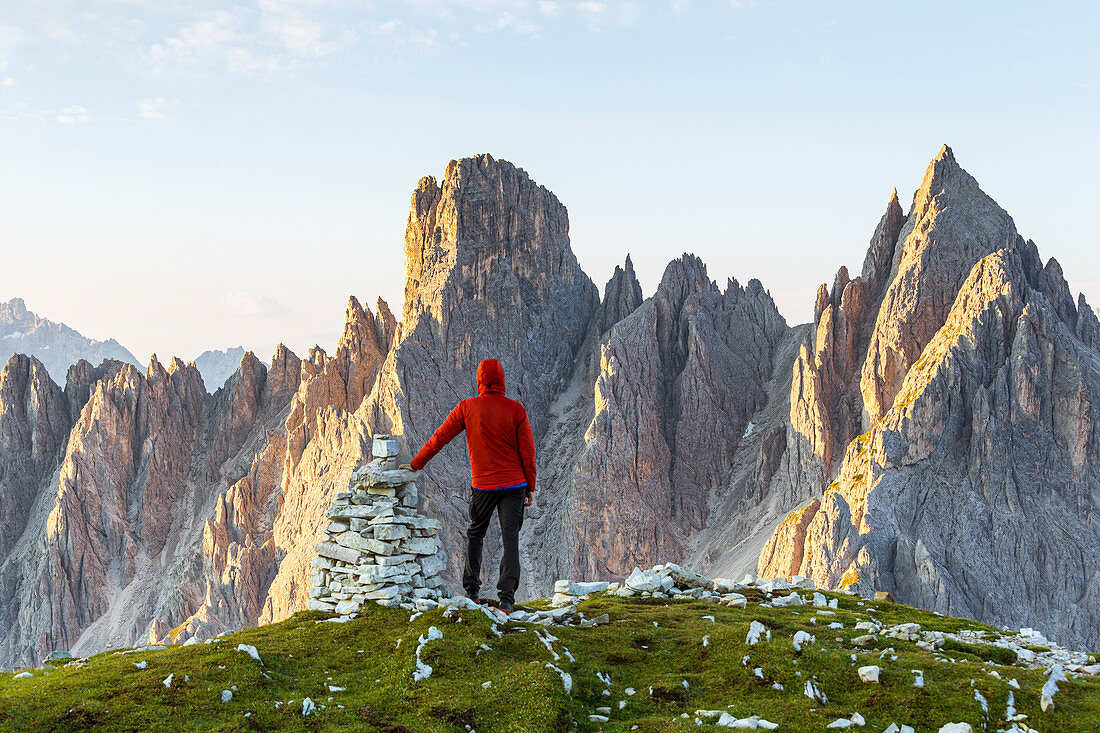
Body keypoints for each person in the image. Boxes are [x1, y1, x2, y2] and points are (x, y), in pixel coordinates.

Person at [399, 358, 535, 613]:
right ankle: (506, 599)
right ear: (502, 380)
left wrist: (416, 464)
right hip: (515, 484)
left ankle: (472, 592)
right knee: (510, 539)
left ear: (480, 380)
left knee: (476, 533)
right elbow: (528, 452)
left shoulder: (467, 407)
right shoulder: (516, 409)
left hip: (483, 485)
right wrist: (530, 487)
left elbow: (440, 437)